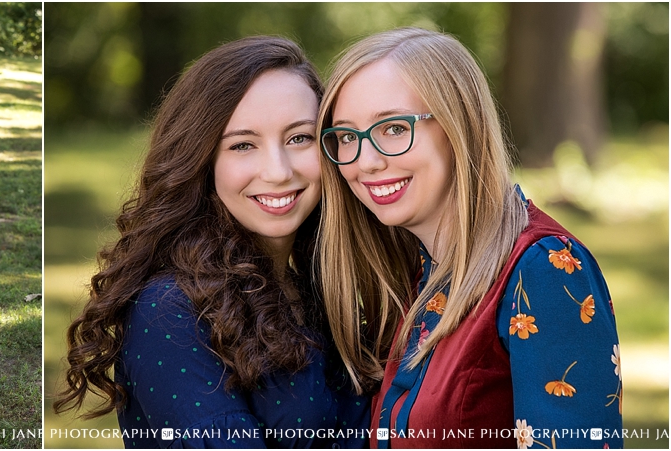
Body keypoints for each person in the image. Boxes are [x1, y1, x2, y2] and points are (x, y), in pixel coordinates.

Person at [54, 36, 370, 448]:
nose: (277, 171)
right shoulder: (170, 310)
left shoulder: (316, 287)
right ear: (202, 160)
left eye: (299, 138)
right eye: (242, 145)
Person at [316, 27, 623, 448]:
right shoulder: (414, 270)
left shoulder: (543, 268)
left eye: (392, 128)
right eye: (347, 137)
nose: (365, 162)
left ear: (459, 126)